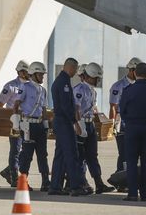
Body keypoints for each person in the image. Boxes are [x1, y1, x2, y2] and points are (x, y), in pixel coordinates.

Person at [120, 62, 146, 201]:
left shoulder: (128, 90)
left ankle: (132, 193)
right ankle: (145, 194)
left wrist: (129, 121)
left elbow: (122, 110)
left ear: (135, 73)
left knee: (131, 161)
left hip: (132, 128)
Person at [49, 58, 89, 196]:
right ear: (70, 67)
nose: (76, 72)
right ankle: (76, 186)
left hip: (60, 122)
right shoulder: (64, 82)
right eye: (76, 69)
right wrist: (75, 122)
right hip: (64, 122)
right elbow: (66, 106)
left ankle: (55, 186)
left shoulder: (60, 81)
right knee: (71, 154)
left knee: (60, 155)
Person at [73, 62, 115, 194]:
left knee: (92, 155)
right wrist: (80, 126)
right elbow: (76, 109)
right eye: (96, 78)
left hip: (90, 124)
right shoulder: (79, 89)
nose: (98, 80)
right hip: (81, 125)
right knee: (80, 157)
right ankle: (81, 183)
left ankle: (99, 183)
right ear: (89, 76)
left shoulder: (92, 91)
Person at [12, 61, 50, 192]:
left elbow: (44, 109)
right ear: (34, 74)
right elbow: (16, 105)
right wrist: (16, 122)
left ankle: (45, 181)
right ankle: (22, 181)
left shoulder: (43, 90)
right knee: (27, 154)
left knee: (42, 154)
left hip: (39, 124)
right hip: (27, 124)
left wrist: (46, 125)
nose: (43, 77)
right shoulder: (24, 87)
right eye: (41, 74)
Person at [108, 57, 142, 192]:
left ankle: (129, 179)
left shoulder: (140, 85)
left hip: (136, 123)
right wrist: (113, 125)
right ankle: (121, 180)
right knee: (124, 153)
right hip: (122, 124)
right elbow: (113, 107)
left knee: (135, 153)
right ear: (132, 70)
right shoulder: (118, 86)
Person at [0, 60, 29, 187]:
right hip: (14, 122)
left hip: (26, 122)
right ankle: (14, 175)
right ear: (20, 72)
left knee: (27, 150)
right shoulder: (10, 86)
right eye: (27, 72)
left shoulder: (30, 86)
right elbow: (0, 105)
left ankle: (8, 170)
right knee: (15, 149)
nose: (29, 74)